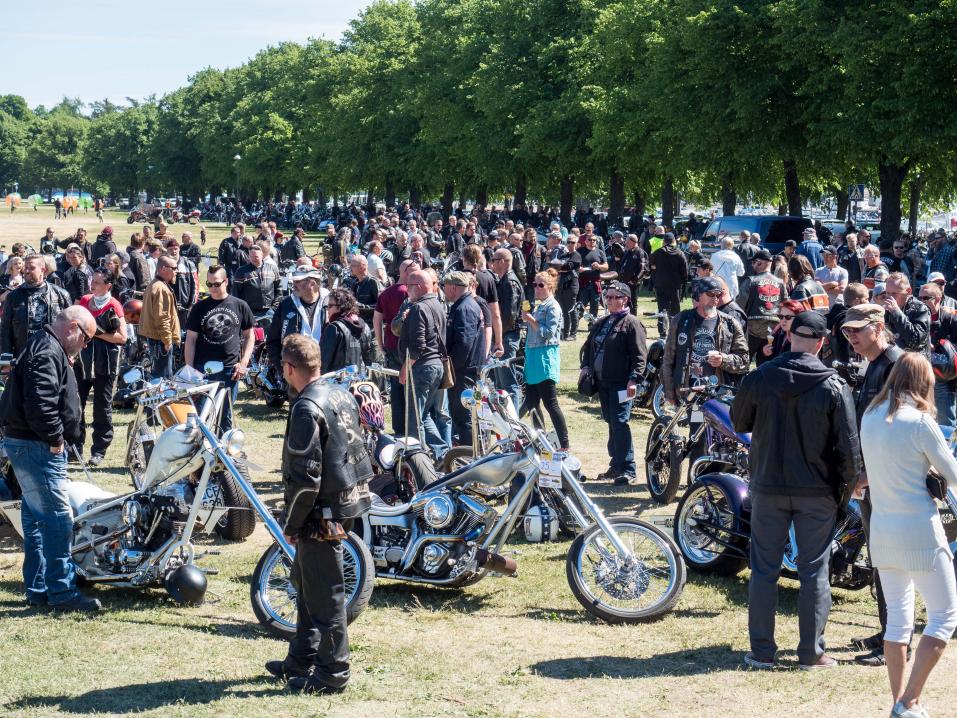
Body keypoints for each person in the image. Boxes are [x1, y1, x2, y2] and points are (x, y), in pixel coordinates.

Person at [731, 310, 861, 670]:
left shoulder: (761, 377)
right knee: (813, 571)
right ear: (821, 344)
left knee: (764, 569)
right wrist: (844, 494)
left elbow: (739, 421)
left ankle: (761, 651)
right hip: (816, 491)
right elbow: (849, 450)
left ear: (790, 337)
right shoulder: (834, 385)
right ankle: (811, 652)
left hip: (769, 486)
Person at [266, 333, 372, 695]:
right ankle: (302, 657)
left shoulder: (305, 408)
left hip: (320, 512)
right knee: (305, 582)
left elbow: (306, 478)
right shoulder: (341, 393)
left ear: (289, 367)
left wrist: (292, 524)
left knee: (326, 596)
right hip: (346, 501)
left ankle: (333, 673)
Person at [860, 354, 957, 717]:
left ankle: (899, 703)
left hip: (883, 530)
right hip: (920, 530)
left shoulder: (870, 416)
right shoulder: (919, 422)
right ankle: (909, 700)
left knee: (898, 621)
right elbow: (952, 473)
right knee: (945, 617)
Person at [0, 306, 101, 612]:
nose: (84, 346)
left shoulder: (45, 345)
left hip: (30, 444)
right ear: (73, 327)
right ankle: (61, 592)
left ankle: (39, 587)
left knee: (35, 520)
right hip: (37, 446)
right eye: (85, 339)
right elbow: (41, 404)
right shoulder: (46, 350)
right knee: (58, 520)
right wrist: (56, 439)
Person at [842, 302, 905, 666]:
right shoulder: (877, 364)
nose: (851, 337)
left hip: (887, 479)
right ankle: (889, 631)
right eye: (847, 331)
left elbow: (899, 428)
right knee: (880, 557)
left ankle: (895, 641)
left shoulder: (896, 364)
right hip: (874, 475)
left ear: (878, 327)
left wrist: (869, 474)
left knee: (891, 559)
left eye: (857, 330)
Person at [579, 281, 647, 485]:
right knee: (611, 421)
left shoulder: (632, 323)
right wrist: (586, 366)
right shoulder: (604, 322)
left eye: (614, 297)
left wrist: (634, 379)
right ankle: (616, 465)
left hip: (622, 384)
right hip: (603, 382)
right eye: (607, 297)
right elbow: (588, 347)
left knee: (620, 422)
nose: (609, 301)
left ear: (625, 299)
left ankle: (628, 468)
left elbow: (640, 356)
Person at [184, 265, 255, 432]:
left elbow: (249, 336)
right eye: (209, 284)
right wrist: (190, 370)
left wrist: (244, 362)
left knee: (225, 415)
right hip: (203, 369)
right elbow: (191, 340)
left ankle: (224, 453)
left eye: (216, 284)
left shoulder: (240, 305)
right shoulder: (199, 308)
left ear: (226, 281)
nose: (213, 288)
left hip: (230, 369)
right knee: (202, 415)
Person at [661, 276, 749, 405]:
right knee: (697, 423)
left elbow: (744, 360)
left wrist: (723, 360)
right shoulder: (682, 320)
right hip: (693, 391)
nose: (715, 299)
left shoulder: (730, 323)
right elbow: (668, 359)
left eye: (718, 295)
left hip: (719, 393)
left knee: (716, 425)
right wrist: (669, 392)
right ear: (698, 295)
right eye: (710, 294)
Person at [74, 270, 127, 465]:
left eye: (97, 282)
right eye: (92, 281)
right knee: (75, 406)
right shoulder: (86, 301)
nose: (92, 285)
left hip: (105, 364)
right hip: (83, 362)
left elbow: (122, 337)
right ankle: (75, 448)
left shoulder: (114, 304)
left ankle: (99, 451)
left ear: (108, 286)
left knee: (101, 408)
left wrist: (97, 333)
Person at [397, 269, 449, 458]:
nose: (407, 291)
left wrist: (405, 368)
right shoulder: (437, 304)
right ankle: (441, 453)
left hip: (421, 367)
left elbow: (417, 346)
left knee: (413, 418)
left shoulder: (419, 308)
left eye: (409, 287)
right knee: (424, 415)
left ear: (418, 287)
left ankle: (417, 458)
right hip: (435, 366)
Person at [520, 269, 568, 449]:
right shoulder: (540, 305)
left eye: (540, 285)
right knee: (532, 404)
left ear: (550, 287)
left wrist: (531, 320)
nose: (536, 288)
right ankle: (542, 441)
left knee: (551, 403)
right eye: (535, 285)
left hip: (545, 359)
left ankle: (564, 444)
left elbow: (549, 334)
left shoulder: (552, 306)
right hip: (533, 358)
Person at [373, 259, 417, 436]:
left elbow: (377, 320)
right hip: (408, 349)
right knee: (411, 390)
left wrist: (381, 343)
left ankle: (400, 430)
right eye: (414, 270)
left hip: (392, 346)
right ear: (405, 271)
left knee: (397, 390)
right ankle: (410, 431)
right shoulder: (412, 293)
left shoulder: (386, 293)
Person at [442, 272, 486, 445]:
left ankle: (470, 454)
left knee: (464, 415)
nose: (443, 290)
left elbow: (464, 344)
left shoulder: (464, 307)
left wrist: (451, 368)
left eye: (445, 287)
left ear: (453, 287)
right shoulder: (464, 305)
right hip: (467, 369)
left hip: (464, 371)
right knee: (466, 414)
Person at [0, 254, 72, 357]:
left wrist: (70, 353)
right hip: (23, 354)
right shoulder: (13, 296)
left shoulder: (61, 295)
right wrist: (6, 357)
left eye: (32, 268)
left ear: (43, 270)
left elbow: (71, 326)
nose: (27, 271)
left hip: (52, 354)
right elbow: (5, 328)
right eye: (26, 268)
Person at [736, 248, 786, 363]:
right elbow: (785, 304)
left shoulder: (751, 280)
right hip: (773, 329)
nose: (752, 265)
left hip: (752, 328)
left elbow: (740, 305)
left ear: (759, 262)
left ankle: (742, 381)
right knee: (766, 364)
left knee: (743, 361)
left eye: (754, 262)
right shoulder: (780, 282)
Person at [490, 248, 524, 410]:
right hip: (503, 337)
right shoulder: (504, 280)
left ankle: (514, 421)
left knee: (508, 384)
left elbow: (508, 316)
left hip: (507, 337)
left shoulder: (510, 282)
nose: (492, 263)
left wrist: (498, 336)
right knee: (499, 383)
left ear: (502, 261)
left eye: (494, 259)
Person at [920, 282, 957, 429]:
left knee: (946, 423)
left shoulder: (951, 319)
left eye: (925, 298)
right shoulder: (918, 318)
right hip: (922, 376)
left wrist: (938, 348)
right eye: (919, 298)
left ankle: (949, 451)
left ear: (938, 298)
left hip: (944, 379)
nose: (921, 301)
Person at [138, 255, 181, 379]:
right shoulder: (161, 289)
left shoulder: (155, 284)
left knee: (159, 376)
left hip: (157, 339)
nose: (176, 271)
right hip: (160, 341)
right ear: (163, 269)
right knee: (163, 379)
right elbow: (162, 318)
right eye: (174, 268)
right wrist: (167, 341)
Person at [319, 288, 374, 374]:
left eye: (330, 306)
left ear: (341, 307)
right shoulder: (365, 326)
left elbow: (324, 361)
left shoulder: (334, 328)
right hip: (359, 379)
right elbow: (368, 358)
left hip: (336, 382)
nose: (327, 310)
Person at [880, 272, 930, 355]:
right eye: (887, 293)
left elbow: (915, 341)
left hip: (915, 362)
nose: (890, 298)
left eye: (894, 294)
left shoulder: (921, 309)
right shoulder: (887, 309)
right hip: (892, 360)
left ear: (908, 291)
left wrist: (896, 312)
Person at [650, 233, 689, 335]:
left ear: (664, 242)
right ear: (674, 242)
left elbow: (650, 265)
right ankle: (675, 330)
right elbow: (685, 271)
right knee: (675, 309)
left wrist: (655, 270)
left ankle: (662, 331)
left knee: (662, 308)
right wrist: (684, 283)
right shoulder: (680, 253)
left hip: (660, 285)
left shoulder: (657, 252)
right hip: (675, 286)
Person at [827, 283, 869, 365]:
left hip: (830, 366)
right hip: (845, 369)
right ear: (857, 301)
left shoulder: (835, 315)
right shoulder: (850, 322)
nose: (868, 302)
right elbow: (848, 352)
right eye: (866, 299)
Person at [163, 238, 199, 329]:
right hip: (167, 305)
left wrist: (192, 304)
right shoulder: (162, 264)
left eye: (176, 249)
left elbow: (195, 286)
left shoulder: (189, 264)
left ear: (179, 249)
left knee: (183, 332)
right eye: (171, 249)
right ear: (167, 250)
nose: (174, 251)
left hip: (184, 306)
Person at [554, 237, 582, 341]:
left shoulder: (577, 255)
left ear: (577, 244)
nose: (570, 244)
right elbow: (555, 266)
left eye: (573, 242)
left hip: (571, 286)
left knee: (572, 310)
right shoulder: (564, 255)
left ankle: (573, 334)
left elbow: (568, 266)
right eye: (568, 242)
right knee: (563, 311)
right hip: (561, 285)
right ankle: (565, 333)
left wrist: (559, 265)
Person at [343, 255, 380, 327]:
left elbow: (380, 306)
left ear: (362, 267)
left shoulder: (373, 282)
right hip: (357, 324)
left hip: (370, 326)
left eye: (353, 265)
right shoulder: (354, 283)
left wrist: (360, 306)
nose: (350, 267)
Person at [711, 236, 746, 301]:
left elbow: (711, 271)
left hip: (718, 283)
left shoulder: (714, 256)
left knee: (717, 303)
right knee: (731, 305)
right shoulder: (736, 257)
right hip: (731, 284)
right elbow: (741, 273)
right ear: (732, 245)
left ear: (721, 245)